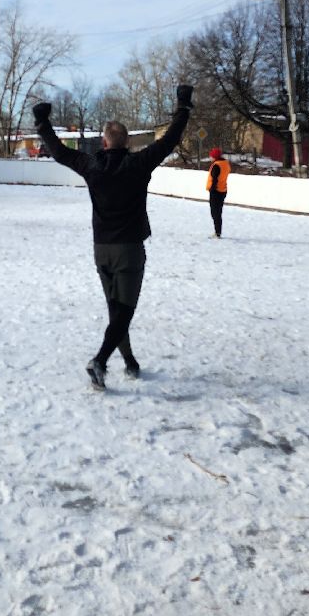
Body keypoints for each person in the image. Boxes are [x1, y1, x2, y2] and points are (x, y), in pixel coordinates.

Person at [33, 84, 193, 390]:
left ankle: (130, 362)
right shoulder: (137, 163)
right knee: (124, 311)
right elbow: (170, 139)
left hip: (101, 250)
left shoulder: (91, 165)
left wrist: (43, 124)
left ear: (105, 142)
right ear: (127, 141)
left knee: (116, 310)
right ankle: (100, 361)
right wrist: (183, 107)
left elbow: (58, 152)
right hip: (129, 250)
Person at [207, 146, 231, 239]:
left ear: (215, 157)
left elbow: (214, 179)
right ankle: (218, 232)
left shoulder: (216, 165)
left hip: (215, 191)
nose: (210, 157)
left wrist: (212, 189)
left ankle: (217, 232)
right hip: (223, 190)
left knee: (215, 212)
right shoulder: (225, 164)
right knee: (219, 212)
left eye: (211, 156)